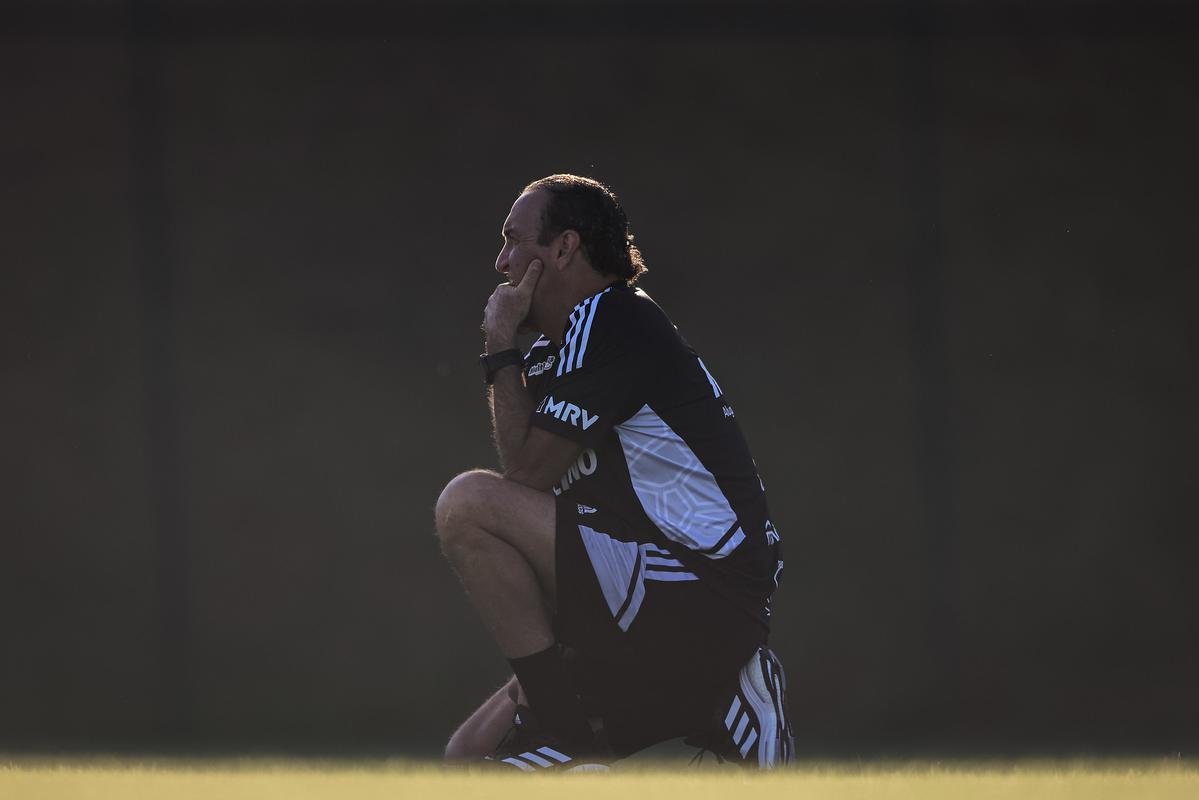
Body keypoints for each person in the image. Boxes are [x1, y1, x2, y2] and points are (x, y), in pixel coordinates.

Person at [435, 174, 792, 770]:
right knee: (467, 760)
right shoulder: (559, 349)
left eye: (514, 240)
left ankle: (577, 742)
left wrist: (498, 341)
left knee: (467, 504)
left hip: (701, 592)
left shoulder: (615, 319)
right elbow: (534, 482)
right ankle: (721, 702)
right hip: (638, 603)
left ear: (565, 247)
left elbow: (521, 478)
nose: (501, 262)